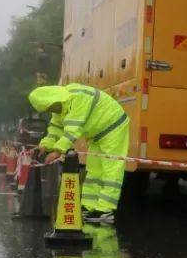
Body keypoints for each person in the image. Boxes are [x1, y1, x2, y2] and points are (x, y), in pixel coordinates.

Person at [28, 83, 130, 225]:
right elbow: (56, 129)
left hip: (113, 126)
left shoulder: (78, 98)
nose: (51, 111)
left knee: (111, 170)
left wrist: (57, 151)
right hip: (97, 134)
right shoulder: (60, 106)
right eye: (48, 109)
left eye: (50, 107)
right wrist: (43, 146)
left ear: (54, 100)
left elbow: (72, 132)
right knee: (94, 171)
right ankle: (89, 207)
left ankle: (106, 210)